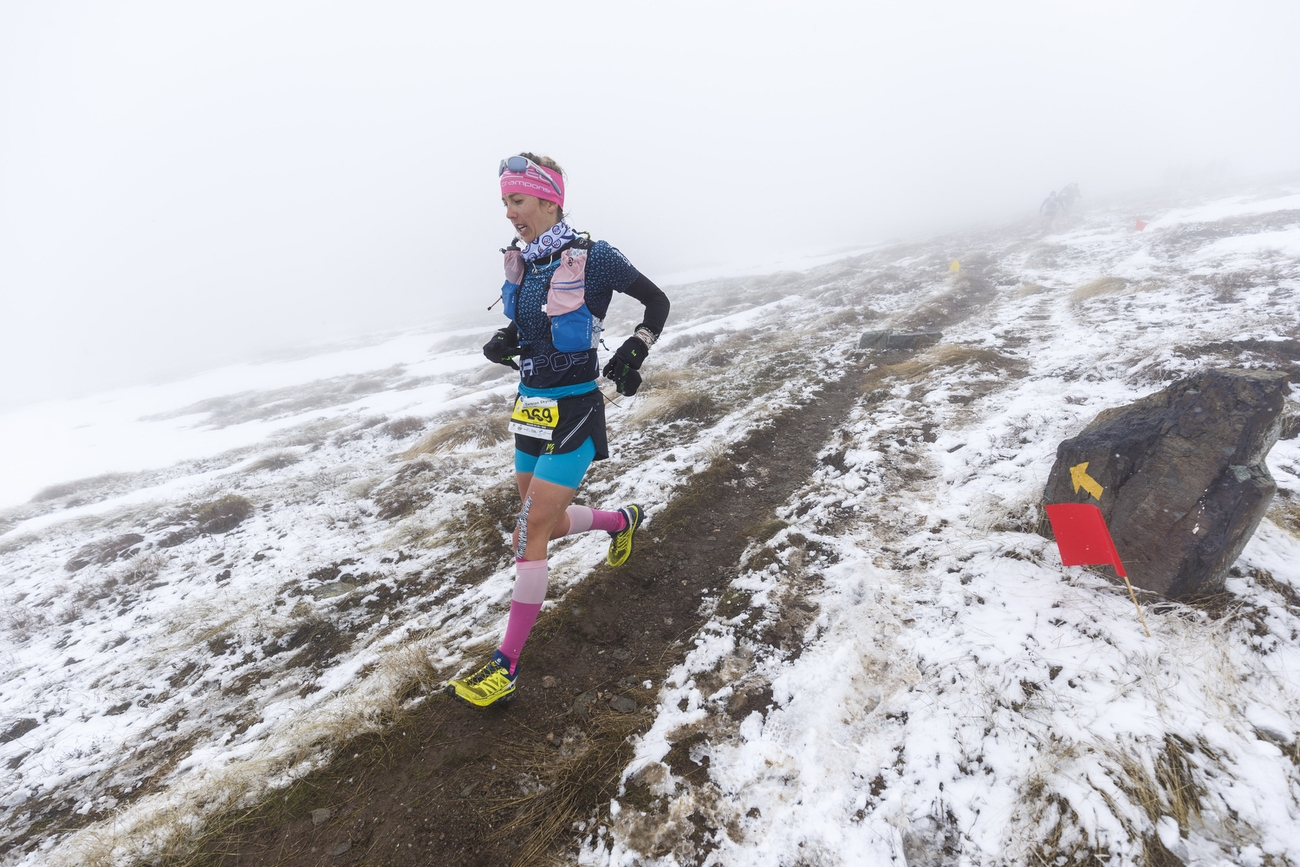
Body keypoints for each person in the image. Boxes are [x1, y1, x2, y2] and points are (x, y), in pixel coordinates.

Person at [446, 153, 671, 708]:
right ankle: (622, 521)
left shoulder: (595, 258)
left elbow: (656, 301)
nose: (508, 214)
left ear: (550, 200)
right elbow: (531, 324)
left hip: (574, 410)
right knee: (538, 525)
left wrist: (635, 347)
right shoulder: (522, 263)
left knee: (526, 533)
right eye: (504, 202)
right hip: (530, 410)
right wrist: (508, 339)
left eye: (516, 201)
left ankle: (507, 666)